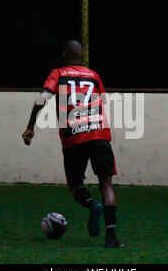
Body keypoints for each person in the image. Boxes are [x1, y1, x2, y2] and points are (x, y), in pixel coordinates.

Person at [22, 40, 123, 247]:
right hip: (99, 133)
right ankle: (111, 235)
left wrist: (31, 126)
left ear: (64, 55)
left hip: (73, 135)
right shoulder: (94, 75)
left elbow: (43, 98)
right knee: (106, 185)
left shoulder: (58, 73)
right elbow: (102, 100)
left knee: (75, 185)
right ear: (82, 56)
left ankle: (92, 205)